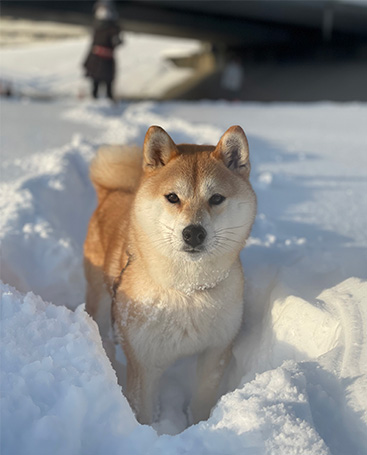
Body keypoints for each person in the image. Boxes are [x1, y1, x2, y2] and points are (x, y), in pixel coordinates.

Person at [83, 1, 122, 101]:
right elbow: (93, 44)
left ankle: (110, 104)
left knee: (108, 83)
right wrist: (87, 61)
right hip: (96, 59)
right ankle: (94, 101)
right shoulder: (96, 27)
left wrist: (117, 40)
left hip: (107, 59)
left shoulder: (114, 27)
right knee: (95, 82)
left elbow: (118, 42)